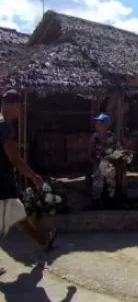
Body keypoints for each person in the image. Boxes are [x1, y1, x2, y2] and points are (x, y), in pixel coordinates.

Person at [0, 90, 57, 276]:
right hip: (2, 184)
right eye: (20, 107)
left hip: (6, 183)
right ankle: (45, 242)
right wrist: (33, 176)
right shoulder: (4, 127)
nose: (21, 111)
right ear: (12, 104)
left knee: (21, 217)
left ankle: (45, 242)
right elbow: (15, 159)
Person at [89, 113, 118, 207]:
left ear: (105, 125)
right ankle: (96, 201)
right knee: (97, 183)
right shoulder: (95, 137)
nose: (96, 124)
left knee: (111, 182)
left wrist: (115, 160)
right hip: (98, 163)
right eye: (96, 122)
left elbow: (117, 149)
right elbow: (90, 152)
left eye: (98, 122)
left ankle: (111, 199)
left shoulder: (112, 137)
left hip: (109, 164)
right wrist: (96, 163)